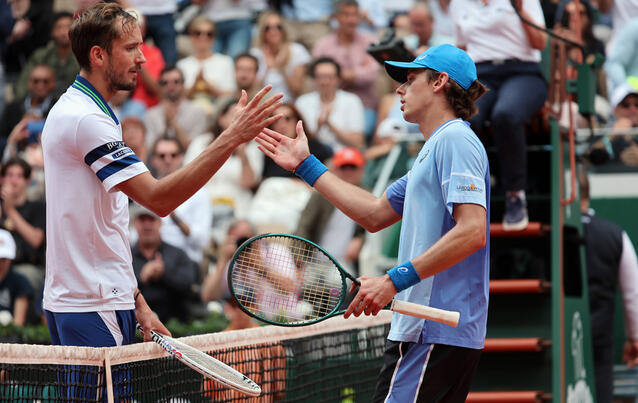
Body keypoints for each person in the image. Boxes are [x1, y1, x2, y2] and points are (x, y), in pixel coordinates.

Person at [40, 2, 282, 350]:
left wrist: (135, 299)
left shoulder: (88, 110)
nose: (142, 59)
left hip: (97, 297)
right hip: (93, 304)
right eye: (130, 48)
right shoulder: (85, 120)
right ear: (98, 55)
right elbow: (159, 199)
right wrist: (232, 137)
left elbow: (106, 224)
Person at [257, 43, 490, 402]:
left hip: (434, 327)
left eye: (411, 80)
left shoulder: (456, 140)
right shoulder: (435, 148)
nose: (399, 89)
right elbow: (374, 213)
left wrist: (393, 280)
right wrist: (306, 164)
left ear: (439, 82)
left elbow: (472, 231)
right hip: (427, 328)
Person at [450, 0, 548, 230]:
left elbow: (540, 42)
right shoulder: (458, 4)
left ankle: (515, 196)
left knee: (505, 114)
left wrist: (520, 9)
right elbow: (461, 47)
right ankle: (464, 196)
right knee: (463, 119)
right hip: (479, 74)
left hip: (522, 71)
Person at [579, 169, 638, 403]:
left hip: (560, 338)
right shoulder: (616, 235)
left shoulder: (556, 234)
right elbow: (632, 294)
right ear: (588, 194)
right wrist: (634, 338)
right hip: (599, 340)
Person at [312, 0, 380, 140]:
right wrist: (358, 71)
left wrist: (338, 75)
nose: (351, 20)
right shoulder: (323, 45)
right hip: (328, 103)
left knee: (364, 127)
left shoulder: (369, 41)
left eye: (355, 15)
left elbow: (371, 74)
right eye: (346, 15)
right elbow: (315, 72)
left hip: (363, 104)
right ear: (336, 17)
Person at [295, 147, 367, 274]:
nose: (348, 172)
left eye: (353, 167)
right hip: (314, 262)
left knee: (339, 286)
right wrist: (299, 262)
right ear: (334, 170)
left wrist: (360, 239)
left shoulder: (368, 197)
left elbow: (372, 228)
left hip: (344, 265)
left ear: (361, 171)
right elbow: (304, 227)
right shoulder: (320, 195)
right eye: (343, 167)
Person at [146, 137, 212, 265]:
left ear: (181, 158)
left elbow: (203, 241)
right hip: (148, 257)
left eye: (173, 155)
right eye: (162, 155)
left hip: (185, 261)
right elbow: (133, 236)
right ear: (154, 160)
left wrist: (174, 217)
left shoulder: (199, 192)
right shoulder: (145, 189)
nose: (168, 160)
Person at [130, 203, 199, 323]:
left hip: (176, 327)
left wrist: (163, 274)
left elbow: (189, 286)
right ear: (134, 224)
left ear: (160, 223)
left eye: (151, 219)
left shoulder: (178, 254)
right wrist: (141, 278)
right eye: (142, 220)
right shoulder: (126, 257)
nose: (147, 225)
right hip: (137, 328)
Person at [0, 158, 46, 317]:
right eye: (9, 175)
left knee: (23, 277)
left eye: (19, 176)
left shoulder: (37, 207)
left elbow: (36, 241)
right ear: (2, 179)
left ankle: (21, 331)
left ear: (27, 180)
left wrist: (11, 210)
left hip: (28, 266)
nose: (13, 180)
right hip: (2, 266)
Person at [295, 58, 365, 151]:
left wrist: (329, 125)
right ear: (314, 79)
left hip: (343, 156)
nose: (325, 82)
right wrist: (318, 127)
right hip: (312, 155)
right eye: (320, 77)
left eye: (329, 77)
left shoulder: (352, 101)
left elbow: (358, 143)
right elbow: (298, 141)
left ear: (338, 79)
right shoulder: (302, 102)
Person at [13, 12, 79, 100]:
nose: (64, 32)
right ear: (52, 31)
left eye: (68, 27)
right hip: (43, 103)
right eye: (59, 27)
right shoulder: (41, 55)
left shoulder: (82, 55)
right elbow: (23, 85)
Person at [250, 10, 311, 103]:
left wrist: (282, 68)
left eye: (278, 27)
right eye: (268, 28)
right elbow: (251, 90)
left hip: (289, 105)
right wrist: (266, 68)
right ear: (262, 31)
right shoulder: (255, 53)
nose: (273, 31)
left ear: (284, 29)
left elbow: (297, 90)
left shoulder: (296, 50)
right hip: (263, 106)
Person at [144, 66, 208, 149]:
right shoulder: (150, 115)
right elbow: (150, 151)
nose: (171, 86)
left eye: (176, 81)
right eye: (165, 83)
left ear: (183, 84)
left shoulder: (197, 112)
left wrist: (173, 123)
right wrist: (166, 126)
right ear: (160, 86)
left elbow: (195, 150)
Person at [0, 228, 33, 327]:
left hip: (10, 339)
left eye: (4, 259)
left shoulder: (20, 281)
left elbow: (18, 322)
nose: (1, 263)